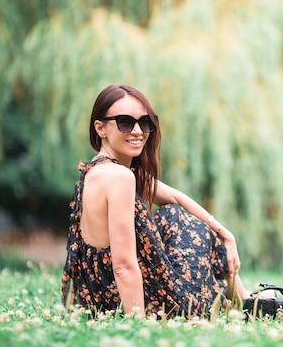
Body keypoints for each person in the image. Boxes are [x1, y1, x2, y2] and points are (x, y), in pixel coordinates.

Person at [61, 84, 249, 318]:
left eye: (145, 122)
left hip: (97, 299)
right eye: (125, 122)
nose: (138, 130)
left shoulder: (97, 171)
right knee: (183, 221)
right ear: (100, 128)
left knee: (172, 214)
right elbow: (123, 266)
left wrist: (225, 234)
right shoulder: (119, 177)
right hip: (126, 301)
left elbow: (175, 197)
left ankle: (245, 299)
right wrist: (137, 325)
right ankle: (248, 303)